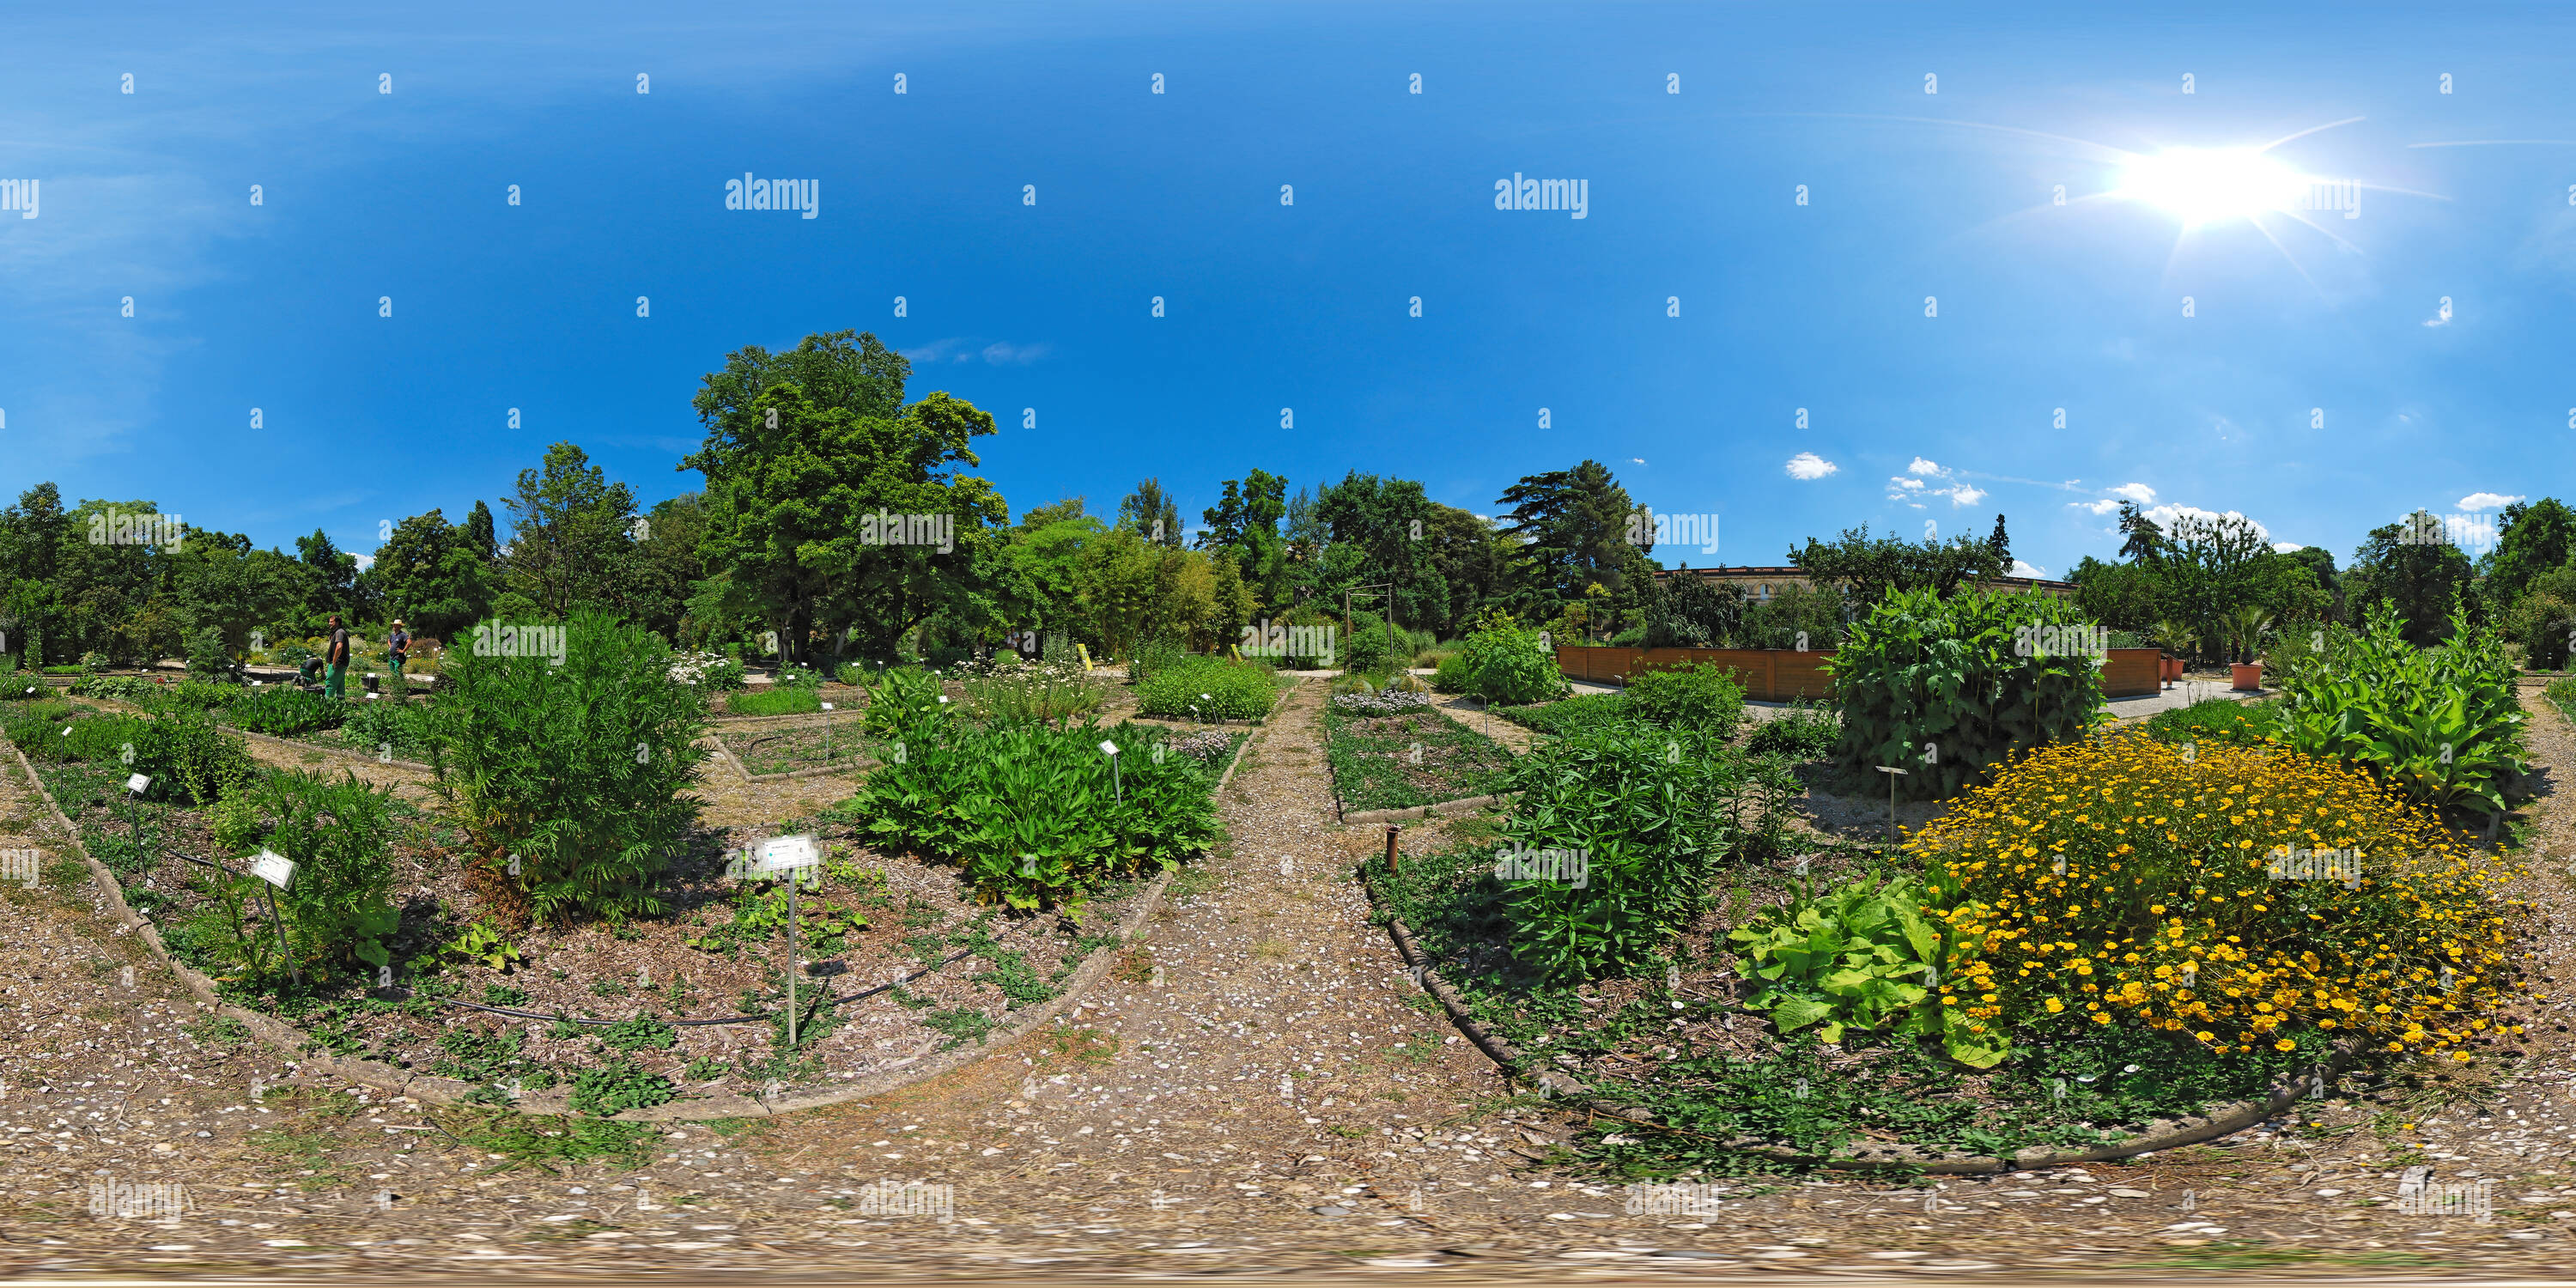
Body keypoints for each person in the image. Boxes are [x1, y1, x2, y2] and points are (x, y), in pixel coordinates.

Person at [324, 614, 350, 701]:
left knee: (330, 683)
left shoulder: (339, 632)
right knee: (340, 685)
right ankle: (341, 703)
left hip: (338, 663)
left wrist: (334, 661)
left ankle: (326, 706)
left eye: (331, 622)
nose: (329, 623)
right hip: (342, 663)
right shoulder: (340, 632)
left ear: (337, 622)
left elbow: (339, 647)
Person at [387, 619, 410, 683]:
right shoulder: (393, 635)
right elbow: (388, 640)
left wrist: (403, 650)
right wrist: (391, 646)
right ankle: (395, 685)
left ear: (400, 626)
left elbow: (409, 642)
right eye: (394, 625)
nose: (394, 626)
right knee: (393, 672)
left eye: (396, 625)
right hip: (391, 657)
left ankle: (401, 686)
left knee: (398, 672)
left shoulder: (402, 635)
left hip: (398, 657)